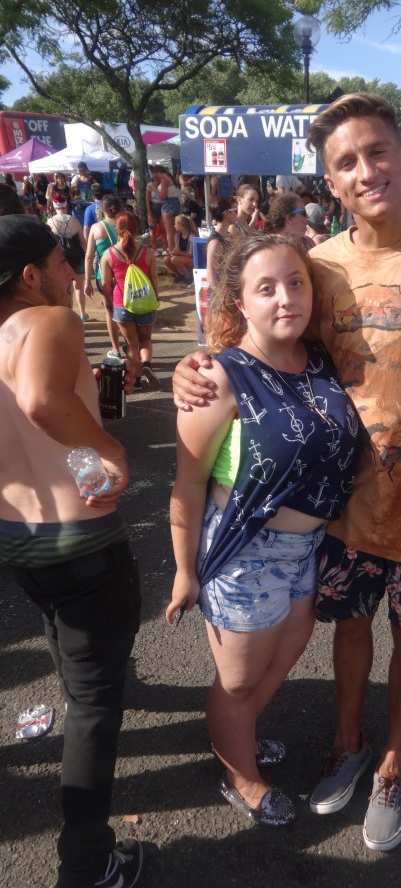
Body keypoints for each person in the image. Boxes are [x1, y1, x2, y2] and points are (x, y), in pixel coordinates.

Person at [172, 92, 401, 852]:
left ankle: (394, 762)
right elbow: (256, 343)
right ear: (330, 181)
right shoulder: (319, 265)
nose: (366, 171)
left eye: (377, 152)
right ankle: (346, 742)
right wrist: (194, 369)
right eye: (346, 162)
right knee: (349, 626)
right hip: (345, 501)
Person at [166, 233, 361, 826]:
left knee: (280, 662)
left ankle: (239, 735)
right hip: (246, 554)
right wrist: (183, 571)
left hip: (309, 550)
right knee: (238, 682)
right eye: (266, 288)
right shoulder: (217, 378)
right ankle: (240, 776)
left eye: (296, 283)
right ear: (240, 303)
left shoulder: (320, 359)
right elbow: (188, 484)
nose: (285, 298)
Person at [0, 214, 142, 888]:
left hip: (18, 539)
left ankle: (85, 677)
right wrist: (112, 453)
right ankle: (86, 864)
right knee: (93, 708)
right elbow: (39, 400)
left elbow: (40, 421)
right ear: (31, 275)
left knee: (68, 642)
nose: (70, 273)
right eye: (62, 262)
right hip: (82, 544)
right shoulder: (50, 320)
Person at [100, 210, 161, 392]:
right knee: (146, 340)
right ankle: (147, 363)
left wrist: (108, 303)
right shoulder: (147, 252)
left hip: (122, 304)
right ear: (135, 229)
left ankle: (137, 380)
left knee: (131, 344)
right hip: (145, 302)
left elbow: (105, 284)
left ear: (117, 230)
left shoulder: (108, 255)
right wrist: (156, 296)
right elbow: (154, 277)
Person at [84, 194, 124, 358]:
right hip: (123, 275)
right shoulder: (124, 226)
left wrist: (88, 281)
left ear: (102, 210)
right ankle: (131, 345)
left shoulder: (96, 228)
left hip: (104, 276)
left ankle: (116, 349)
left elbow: (89, 257)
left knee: (110, 311)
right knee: (126, 310)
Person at [47, 193, 89, 321]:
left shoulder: (50, 222)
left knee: (65, 289)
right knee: (79, 287)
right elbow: (83, 242)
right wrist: (89, 255)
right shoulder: (74, 221)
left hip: (60, 260)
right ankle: (83, 313)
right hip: (77, 258)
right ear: (65, 206)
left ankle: (68, 314)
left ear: (55, 207)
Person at [205, 201, 236, 291]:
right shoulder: (215, 242)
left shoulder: (227, 236)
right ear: (226, 213)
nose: (237, 214)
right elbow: (210, 275)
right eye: (235, 210)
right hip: (218, 292)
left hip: (226, 289)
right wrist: (220, 296)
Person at [164, 213, 197, 284]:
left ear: (180, 225)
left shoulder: (192, 236)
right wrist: (173, 253)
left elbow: (191, 254)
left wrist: (178, 253)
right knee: (166, 259)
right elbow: (178, 251)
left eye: (176, 224)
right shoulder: (177, 236)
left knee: (174, 259)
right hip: (183, 257)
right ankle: (178, 275)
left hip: (193, 260)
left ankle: (188, 277)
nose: (174, 226)